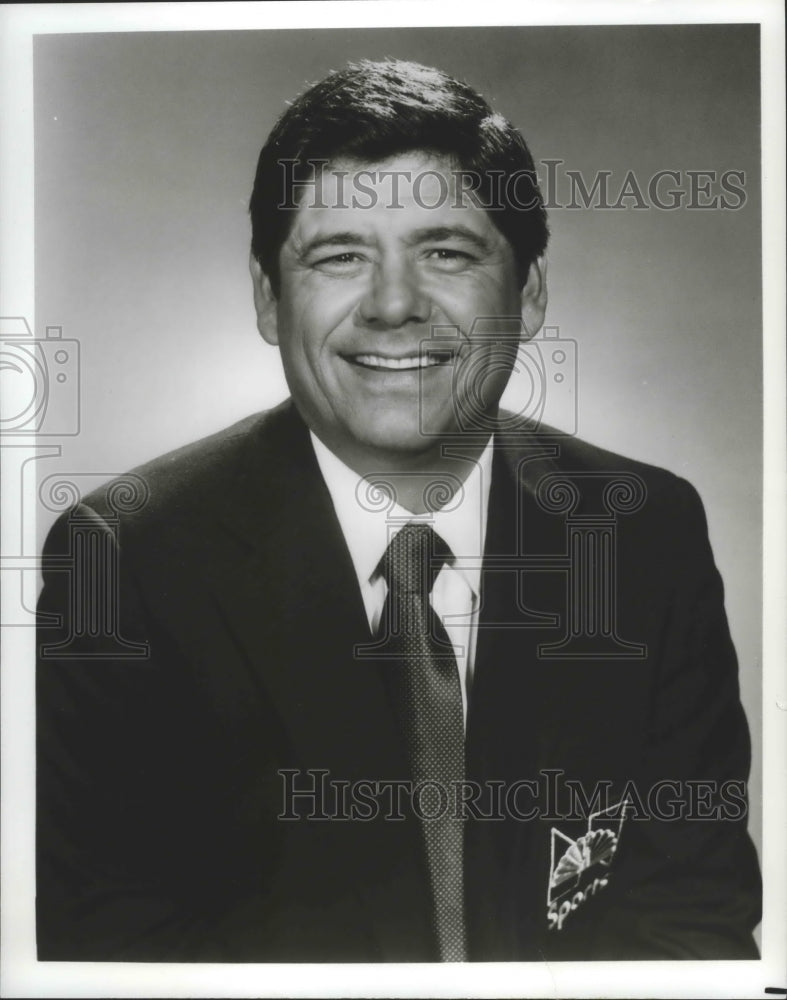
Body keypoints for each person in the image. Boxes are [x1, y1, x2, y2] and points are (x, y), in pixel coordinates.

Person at [36, 58, 761, 963]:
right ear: (268, 297)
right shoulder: (126, 561)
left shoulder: (640, 532)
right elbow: (107, 957)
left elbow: (691, 923)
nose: (392, 306)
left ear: (529, 292)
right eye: (339, 256)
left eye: (446, 253)